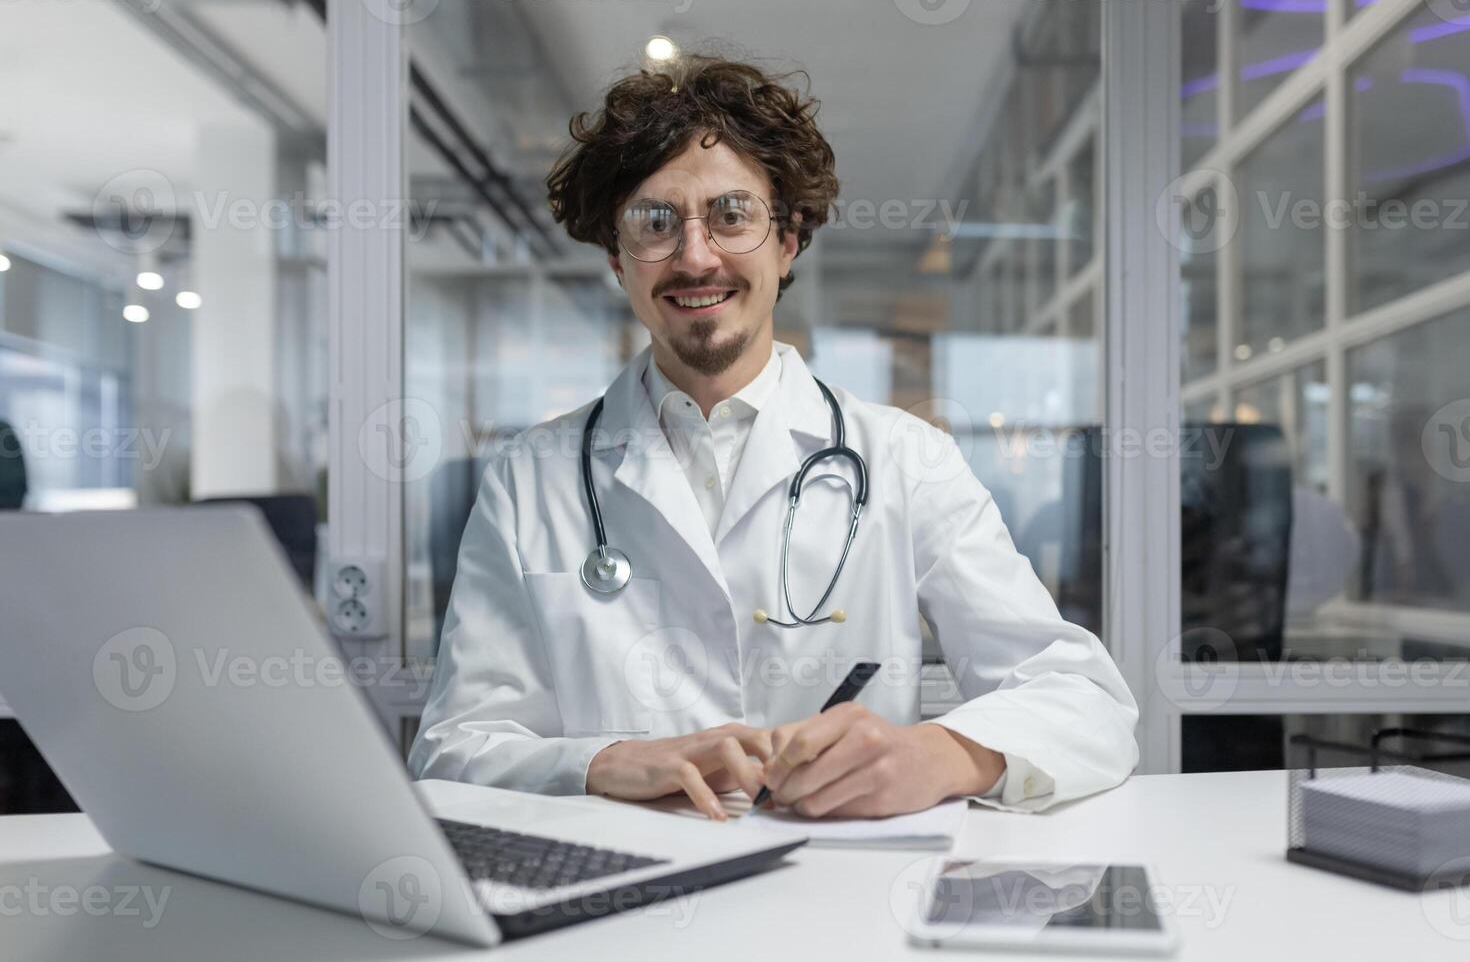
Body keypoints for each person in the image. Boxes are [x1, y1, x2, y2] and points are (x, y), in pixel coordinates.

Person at [409, 55, 1138, 820]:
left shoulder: (903, 459)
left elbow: (1082, 698)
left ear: (787, 242)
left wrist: (941, 753)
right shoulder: (531, 478)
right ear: (615, 259)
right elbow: (455, 748)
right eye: (655, 222)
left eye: (731, 216)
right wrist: (601, 762)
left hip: (839, 909)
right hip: (621, 914)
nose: (695, 256)